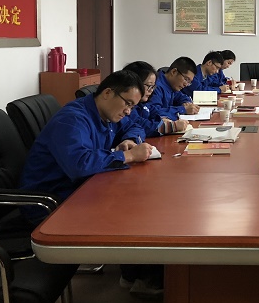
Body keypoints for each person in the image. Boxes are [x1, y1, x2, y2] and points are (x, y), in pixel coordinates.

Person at [20, 70, 154, 204]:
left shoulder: (108, 113)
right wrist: (129, 155)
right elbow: (79, 164)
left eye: (132, 107)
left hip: (84, 187)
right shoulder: (72, 119)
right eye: (127, 103)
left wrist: (130, 139)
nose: (128, 111)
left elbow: (134, 127)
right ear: (107, 93)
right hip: (52, 199)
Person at [123, 61, 190, 137]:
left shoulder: (143, 104)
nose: (151, 90)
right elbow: (140, 125)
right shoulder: (128, 107)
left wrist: (162, 119)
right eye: (149, 86)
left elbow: (156, 112)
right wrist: (171, 126)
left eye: (153, 87)